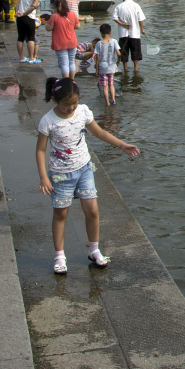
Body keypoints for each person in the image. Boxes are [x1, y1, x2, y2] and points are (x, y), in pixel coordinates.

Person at [35, 77, 139, 273]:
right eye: (67, 104)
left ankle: (94, 249)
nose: (71, 107)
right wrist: (43, 177)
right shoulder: (48, 121)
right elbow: (40, 150)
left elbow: (99, 133)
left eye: (74, 103)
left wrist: (122, 145)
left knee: (92, 211)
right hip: (60, 174)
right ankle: (59, 255)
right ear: (56, 100)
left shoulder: (83, 111)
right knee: (61, 213)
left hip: (84, 169)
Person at [44, 0, 80, 78]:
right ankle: (72, 81)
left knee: (64, 63)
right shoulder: (72, 14)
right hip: (72, 42)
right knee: (71, 62)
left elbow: (48, 28)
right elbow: (78, 26)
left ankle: (65, 82)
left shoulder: (54, 16)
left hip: (60, 43)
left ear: (56, 7)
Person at [111, 0, 146, 73]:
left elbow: (114, 18)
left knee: (124, 52)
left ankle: (125, 69)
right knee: (135, 52)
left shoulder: (119, 6)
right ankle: (136, 69)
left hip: (123, 33)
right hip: (135, 33)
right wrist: (142, 29)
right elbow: (141, 19)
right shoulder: (136, 6)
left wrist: (123, 24)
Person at [16, 0, 48, 64]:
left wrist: (17, 12)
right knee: (31, 38)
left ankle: (21, 57)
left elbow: (18, 3)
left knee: (20, 38)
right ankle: (31, 58)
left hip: (19, 17)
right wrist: (24, 14)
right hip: (29, 17)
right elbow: (33, 6)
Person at [92, 23, 120, 105]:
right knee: (111, 85)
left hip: (103, 68)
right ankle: (113, 100)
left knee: (105, 86)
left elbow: (97, 57)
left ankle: (107, 102)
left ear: (101, 33)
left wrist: (97, 69)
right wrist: (118, 61)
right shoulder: (114, 41)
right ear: (110, 32)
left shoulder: (99, 44)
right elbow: (118, 53)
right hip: (112, 67)